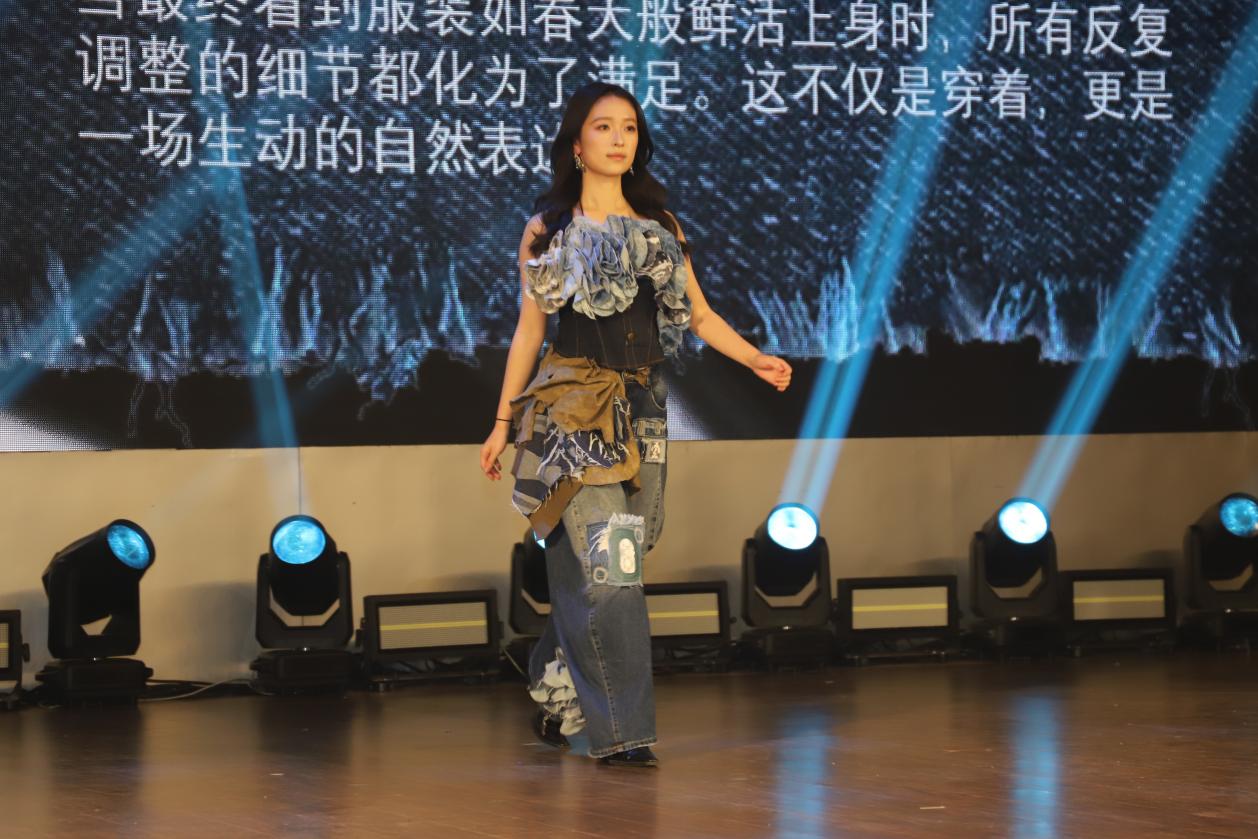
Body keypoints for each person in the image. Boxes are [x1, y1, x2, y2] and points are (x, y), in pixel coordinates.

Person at [479, 82, 792, 767]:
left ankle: (555, 683)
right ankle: (623, 733)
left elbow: (699, 314)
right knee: (610, 570)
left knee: (618, 561)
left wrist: (754, 358)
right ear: (577, 142)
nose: (618, 138)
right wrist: (503, 422)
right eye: (603, 126)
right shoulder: (548, 227)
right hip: (572, 410)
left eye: (628, 127)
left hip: (642, 410)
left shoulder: (661, 225)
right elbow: (529, 331)